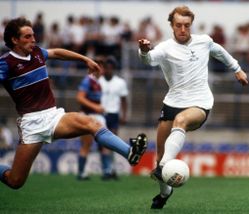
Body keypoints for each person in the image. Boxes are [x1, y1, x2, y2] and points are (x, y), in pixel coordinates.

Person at [0, 17, 148, 190]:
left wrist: (85, 59)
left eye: (33, 35)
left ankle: (130, 153)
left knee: (92, 123)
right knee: (15, 181)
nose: (33, 39)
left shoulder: (38, 53)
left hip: (53, 116)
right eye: (27, 36)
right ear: (14, 40)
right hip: (31, 124)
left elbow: (58, 53)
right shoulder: (5, 63)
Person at [138, 6, 248, 209]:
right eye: (178, 25)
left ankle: (162, 168)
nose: (183, 29)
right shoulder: (165, 47)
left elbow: (220, 52)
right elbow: (148, 60)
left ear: (191, 25)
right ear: (171, 25)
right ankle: (164, 193)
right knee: (161, 154)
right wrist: (144, 51)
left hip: (200, 102)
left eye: (187, 25)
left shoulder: (203, 41)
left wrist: (237, 69)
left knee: (180, 124)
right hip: (172, 102)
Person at [99, 56, 129, 180]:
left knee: (111, 143)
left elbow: (124, 100)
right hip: (100, 115)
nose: (108, 70)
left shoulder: (120, 82)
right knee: (103, 145)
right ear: (104, 68)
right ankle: (108, 170)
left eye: (111, 68)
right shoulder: (98, 81)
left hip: (113, 115)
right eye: (107, 67)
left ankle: (111, 169)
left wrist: (124, 114)